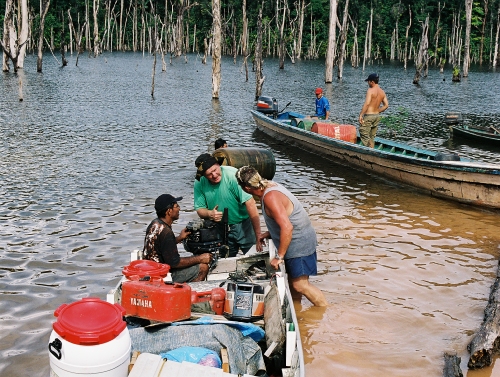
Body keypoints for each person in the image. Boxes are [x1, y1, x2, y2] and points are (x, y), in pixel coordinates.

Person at [235, 166, 328, 307]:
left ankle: (325, 309)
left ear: (246, 188)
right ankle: (299, 313)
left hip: (299, 242)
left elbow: (287, 227)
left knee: (300, 285)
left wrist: (279, 257)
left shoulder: (270, 197)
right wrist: (269, 233)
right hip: (296, 238)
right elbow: (286, 219)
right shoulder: (269, 186)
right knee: (293, 283)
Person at [194, 153, 262, 257]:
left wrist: (258, 235)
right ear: (203, 175)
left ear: (218, 164)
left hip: (244, 225)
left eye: (215, 170)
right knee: (225, 259)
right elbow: (200, 209)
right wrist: (209, 214)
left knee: (255, 257)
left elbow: (251, 203)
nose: (214, 175)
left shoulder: (233, 175)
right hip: (221, 227)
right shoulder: (199, 182)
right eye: (209, 174)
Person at [143, 194, 213, 282]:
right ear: (169, 211)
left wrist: (179, 238)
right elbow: (175, 263)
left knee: (195, 259)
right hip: (162, 276)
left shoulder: (155, 224)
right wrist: (200, 258)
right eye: (176, 206)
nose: (179, 209)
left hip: (152, 270)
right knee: (203, 267)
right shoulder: (166, 231)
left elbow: (162, 245)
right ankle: (189, 293)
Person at [358, 73, 389, 148]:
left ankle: (370, 149)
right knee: (371, 136)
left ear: (372, 82)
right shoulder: (382, 91)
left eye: (368, 81)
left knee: (363, 132)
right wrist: (378, 111)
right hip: (376, 116)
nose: (368, 83)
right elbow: (386, 105)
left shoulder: (370, 90)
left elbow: (367, 104)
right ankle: (372, 150)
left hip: (369, 116)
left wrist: (361, 115)